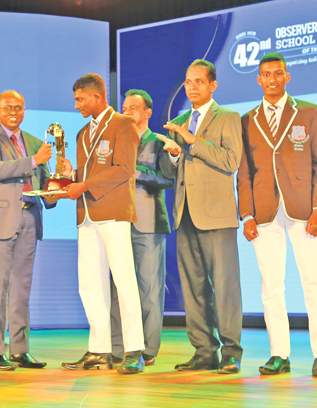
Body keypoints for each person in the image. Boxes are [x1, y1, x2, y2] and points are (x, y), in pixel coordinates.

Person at [238, 53, 317, 377]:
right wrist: (247, 214)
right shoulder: (247, 119)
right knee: (270, 286)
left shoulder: (308, 111)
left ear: (287, 76)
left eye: (278, 73)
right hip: (264, 213)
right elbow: (244, 172)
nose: (272, 79)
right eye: (266, 74)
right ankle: (279, 353)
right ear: (259, 80)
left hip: (303, 209)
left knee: (313, 282)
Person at [159, 60, 244, 374]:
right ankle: (204, 351)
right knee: (193, 288)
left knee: (224, 287)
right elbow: (170, 173)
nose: (191, 87)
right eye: (187, 81)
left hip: (217, 215)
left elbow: (231, 160)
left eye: (198, 81)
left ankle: (231, 353)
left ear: (213, 85)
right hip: (185, 214)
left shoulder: (228, 117)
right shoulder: (180, 120)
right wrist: (173, 153)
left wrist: (193, 141)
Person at [58, 73, 145, 374]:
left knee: (124, 281)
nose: (76, 104)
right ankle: (99, 350)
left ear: (97, 96)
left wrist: (83, 185)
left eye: (80, 99)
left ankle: (134, 350)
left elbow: (123, 169)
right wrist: (73, 176)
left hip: (114, 212)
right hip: (87, 215)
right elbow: (89, 174)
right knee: (90, 284)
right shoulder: (83, 132)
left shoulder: (123, 124)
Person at [0, 90, 64, 370]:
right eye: (7, 107)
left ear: (24, 110)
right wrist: (34, 161)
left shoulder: (35, 142)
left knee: (22, 289)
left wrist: (57, 188)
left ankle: (20, 350)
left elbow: (45, 180)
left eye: (19, 107)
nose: (14, 111)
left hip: (29, 218)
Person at [109, 89, 174, 367]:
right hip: (116, 222)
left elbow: (167, 179)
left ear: (147, 112)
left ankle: (148, 348)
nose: (128, 112)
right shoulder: (115, 142)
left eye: (133, 108)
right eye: (124, 108)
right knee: (118, 287)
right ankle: (119, 346)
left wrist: (134, 171)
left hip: (148, 223)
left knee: (149, 287)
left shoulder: (158, 142)